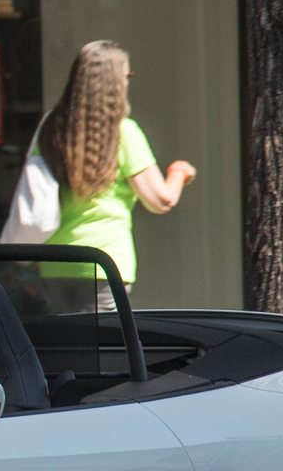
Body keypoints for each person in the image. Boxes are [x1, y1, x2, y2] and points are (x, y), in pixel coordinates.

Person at [34, 40, 195, 309]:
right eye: (127, 75)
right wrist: (179, 172)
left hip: (55, 263)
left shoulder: (51, 129)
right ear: (115, 81)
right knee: (106, 347)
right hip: (104, 263)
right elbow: (161, 200)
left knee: (66, 346)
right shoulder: (123, 133)